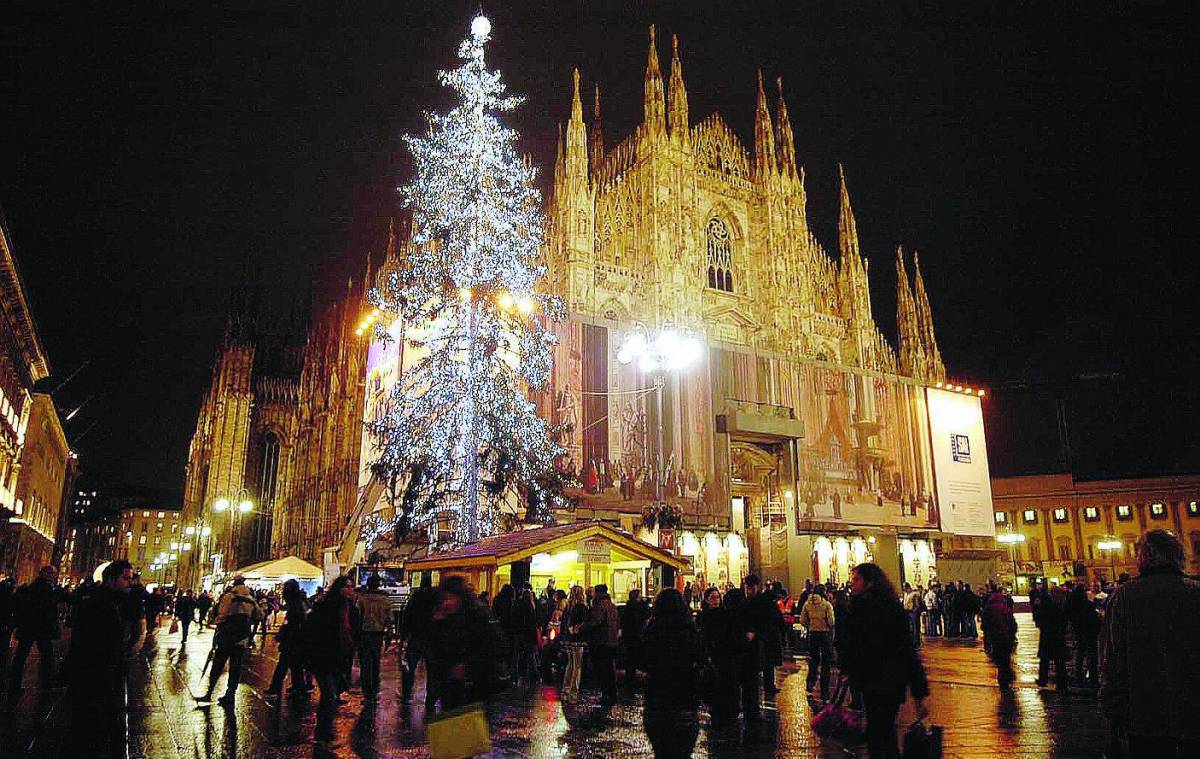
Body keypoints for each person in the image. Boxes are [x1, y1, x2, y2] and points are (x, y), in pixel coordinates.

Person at [1100, 529, 1200, 758]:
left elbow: (1112, 657)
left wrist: (1113, 710)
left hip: (1145, 713)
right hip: (1193, 711)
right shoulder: (1195, 593)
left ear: (1147, 555)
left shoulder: (1125, 597)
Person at [835, 563, 929, 759]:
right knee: (882, 733)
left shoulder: (868, 609)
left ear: (870, 583)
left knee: (880, 735)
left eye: (856, 580)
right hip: (884, 682)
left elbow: (904, 649)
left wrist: (848, 670)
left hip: (879, 680)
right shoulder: (881, 607)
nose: (852, 584)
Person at [62, 559, 132, 756]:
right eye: (125, 578)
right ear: (111, 579)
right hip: (95, 680)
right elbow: (88, 645)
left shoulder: (109, 602)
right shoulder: (98, 605)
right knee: (88, 734)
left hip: (100, 678)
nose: (130, 582)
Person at [641, 589, 704, 759]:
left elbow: (642, 661)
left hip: (657, 701)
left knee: (661, 753)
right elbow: (701, 658)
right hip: (684, 700)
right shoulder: (690, 630)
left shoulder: (652, 630)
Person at [427, 576, 499, 711]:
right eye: (444, 598)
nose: (446, 602)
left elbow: (494, 648)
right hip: (451, 688)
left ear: (460, 597)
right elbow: (435, 649)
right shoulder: (444, 617)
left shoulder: (478, 615)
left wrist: (468, 667)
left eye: (450, 598)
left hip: (476, 688)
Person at [305, 575, 356, 748]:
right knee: (329, 695)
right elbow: (318, 632)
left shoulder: (348, 608)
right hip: (323, 657)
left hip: (336, 658)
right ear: (339, 589)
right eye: (347, 587)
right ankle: (324, 735)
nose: (351, 590)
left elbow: (349, 632)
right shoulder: (328, 607)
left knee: (331, 694)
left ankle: (323, 734)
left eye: (352, 587)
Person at [201, 576, 260, 706]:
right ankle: (230, 694)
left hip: (227, 634)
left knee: (218, 662)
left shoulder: (230, 596)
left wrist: (218, 623)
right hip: (242, 636)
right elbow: (258, 615)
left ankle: (209, 692)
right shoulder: (250, 598)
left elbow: (223, 613)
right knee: (236, 666)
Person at [6, 564, 61, 695]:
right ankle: (47, 682)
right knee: (46, 656)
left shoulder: (32, 587)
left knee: (21, 656)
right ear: (44, 574)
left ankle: (14, 685)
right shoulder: (46, 589)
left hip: (29, 627)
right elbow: (48, 609)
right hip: (41, 628)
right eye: (51, 574)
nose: (53, 576)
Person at [266, 579, 309, 698]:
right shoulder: (301, 602)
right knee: (295, 666)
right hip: (297, 640)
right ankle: (299, 687)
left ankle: (276, 687)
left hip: (293, 640)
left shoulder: (295, 605)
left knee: (285, 664)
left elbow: (292, 623)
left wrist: (283, 634)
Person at [580, 583, 620, 707]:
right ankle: (612, 692)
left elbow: (595, 622)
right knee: (609, 667)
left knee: (601, 668)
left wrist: (582, 628)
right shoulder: (612, 605)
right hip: (611, 641)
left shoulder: (599, 605)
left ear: (598, 592)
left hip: (600, 641)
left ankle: (605, 693)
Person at [744, 573, 784, 695]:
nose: (750, 590)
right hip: (759, 637)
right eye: (748, 588)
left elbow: (774, 618)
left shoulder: (762, 601)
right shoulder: (758, 601)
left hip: (764, 637)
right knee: (763, 663)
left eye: (752, 588)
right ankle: (767, 685)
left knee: (767, 663)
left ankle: (769, 685)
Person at [400, 573, 437, 704]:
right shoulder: (435, 597)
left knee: (410, 667)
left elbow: (407, 616)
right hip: (432, 638)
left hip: (416, 637)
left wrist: (403, 636)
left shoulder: (415, 598)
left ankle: (406, 694)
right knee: (432, 670)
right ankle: (431, 697)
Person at [357, 573, 391, 702]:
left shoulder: (362, 599)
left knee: (365, 663)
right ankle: (375, 687)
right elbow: (390, 620)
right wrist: (388, 636)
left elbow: (358, 617)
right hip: (378, 634)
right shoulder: (385, 601)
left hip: (365, 634)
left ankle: (367, 691)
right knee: (376, 661)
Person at [798, 583, 835, 699]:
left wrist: (810, 625)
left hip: (812, 634)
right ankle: (824, 688)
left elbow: (802, 620)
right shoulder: (826, 605)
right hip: (824, 634)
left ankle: (810, 682)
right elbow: (831, 621)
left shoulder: (807, 604)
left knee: (813, 659)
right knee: (826, 662)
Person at [1032, 583, 1070, 695]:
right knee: (1059, 661)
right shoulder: (1062, 604)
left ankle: (1043, 679)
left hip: (1048, 635)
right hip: (1057, 636)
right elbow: (1064, 620)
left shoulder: (1047, 603)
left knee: (1045, 659)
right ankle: (1061, 683)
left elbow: (1039, 616)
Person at [980, 586, 1017, 687]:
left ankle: (1003, 680)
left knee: (999, 660)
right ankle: (1007, 676)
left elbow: (984, 625)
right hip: (1007, 638)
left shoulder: (988, 609)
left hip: (995, 638)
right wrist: (1012, 634)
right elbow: (1013, 624)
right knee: (1006, 658)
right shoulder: (1006, 608)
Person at [1068, 582, 1100, 687]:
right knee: (1092, 654)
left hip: (1079, 632)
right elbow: (1095, 619)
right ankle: (1093, 676)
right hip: (1090, 633)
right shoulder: (1089, 605)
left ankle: (1078, 674)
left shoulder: (1072, 606)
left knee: (1080, 653)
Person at [619, 588, 650, 687]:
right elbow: (647, 615)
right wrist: (645, 604)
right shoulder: (640, 608)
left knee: (630, 661)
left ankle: (629, 680)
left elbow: (623, 622)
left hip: (629, 637)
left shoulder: (627, 608)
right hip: (638, 636)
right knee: (638, 658)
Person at [509, 585, 539, 690]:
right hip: (528, 634)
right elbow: (533, 621)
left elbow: (513, 618)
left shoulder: (517, 604)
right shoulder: (531, 606)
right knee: (530, 655)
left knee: (517, 654)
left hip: (518, 633)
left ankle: (515, 676)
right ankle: (533, 675)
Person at [902, 583, 922, 649]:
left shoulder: (914, 594)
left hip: (913, 613)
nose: (903, 589)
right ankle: (911, 643)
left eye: (904, 587)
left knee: (915, 628)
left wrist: (915, 612)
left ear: (908, 587)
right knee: (910, 629)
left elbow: (917, 605)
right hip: (907, 612)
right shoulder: (905, 594)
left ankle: (917, 644)